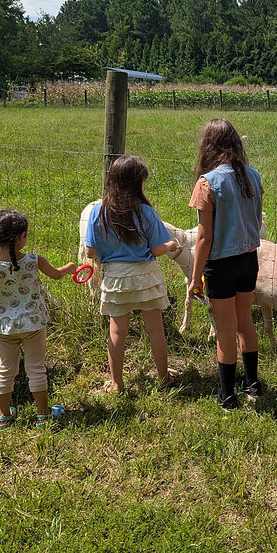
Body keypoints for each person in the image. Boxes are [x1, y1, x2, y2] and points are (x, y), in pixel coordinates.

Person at [85, 155, 179, 393]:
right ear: (137, 183)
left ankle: (117, 383)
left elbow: (90, 251)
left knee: (117, 331)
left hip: (115, 279)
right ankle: (163, 377)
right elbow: (158, 249)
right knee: (155, 328)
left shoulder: (98, 212)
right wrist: (171, 245)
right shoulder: (145, 211)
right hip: (145, 275)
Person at [187, 118, 263, 411]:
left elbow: (204, 238)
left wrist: (195, 278)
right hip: (249, 258)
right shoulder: (253, 176)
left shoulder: (207, 182)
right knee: (245, 321)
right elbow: (256, 219)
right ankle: (252, 383)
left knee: (225, 328)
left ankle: (227, 395)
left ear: (208, 145)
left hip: (220, 264)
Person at [0, 210, 76, 429]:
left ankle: (3, 416)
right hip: (32, 324)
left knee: (5, 370)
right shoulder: (34, 261)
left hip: (4, 328)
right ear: (22, 236)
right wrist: (69, 269)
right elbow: (56, 274)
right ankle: (43, 413)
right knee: (36, 368)